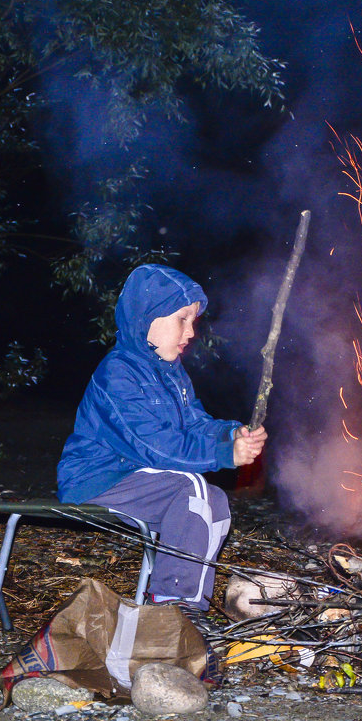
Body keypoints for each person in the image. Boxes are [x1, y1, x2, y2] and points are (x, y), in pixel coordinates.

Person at [57, 264, 266, 619]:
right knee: (192, 488)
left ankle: (188, 606)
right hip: (97, 480)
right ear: (147, 318)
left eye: (194, 321)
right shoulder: (118, 373)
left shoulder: (173, 374)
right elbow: (154, 446)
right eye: (182, 319)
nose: (191, 331)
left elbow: (195, 423)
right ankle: (174, 607)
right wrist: (222, 454)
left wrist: (231, 434)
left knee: (213, 499)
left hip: (141, 480)